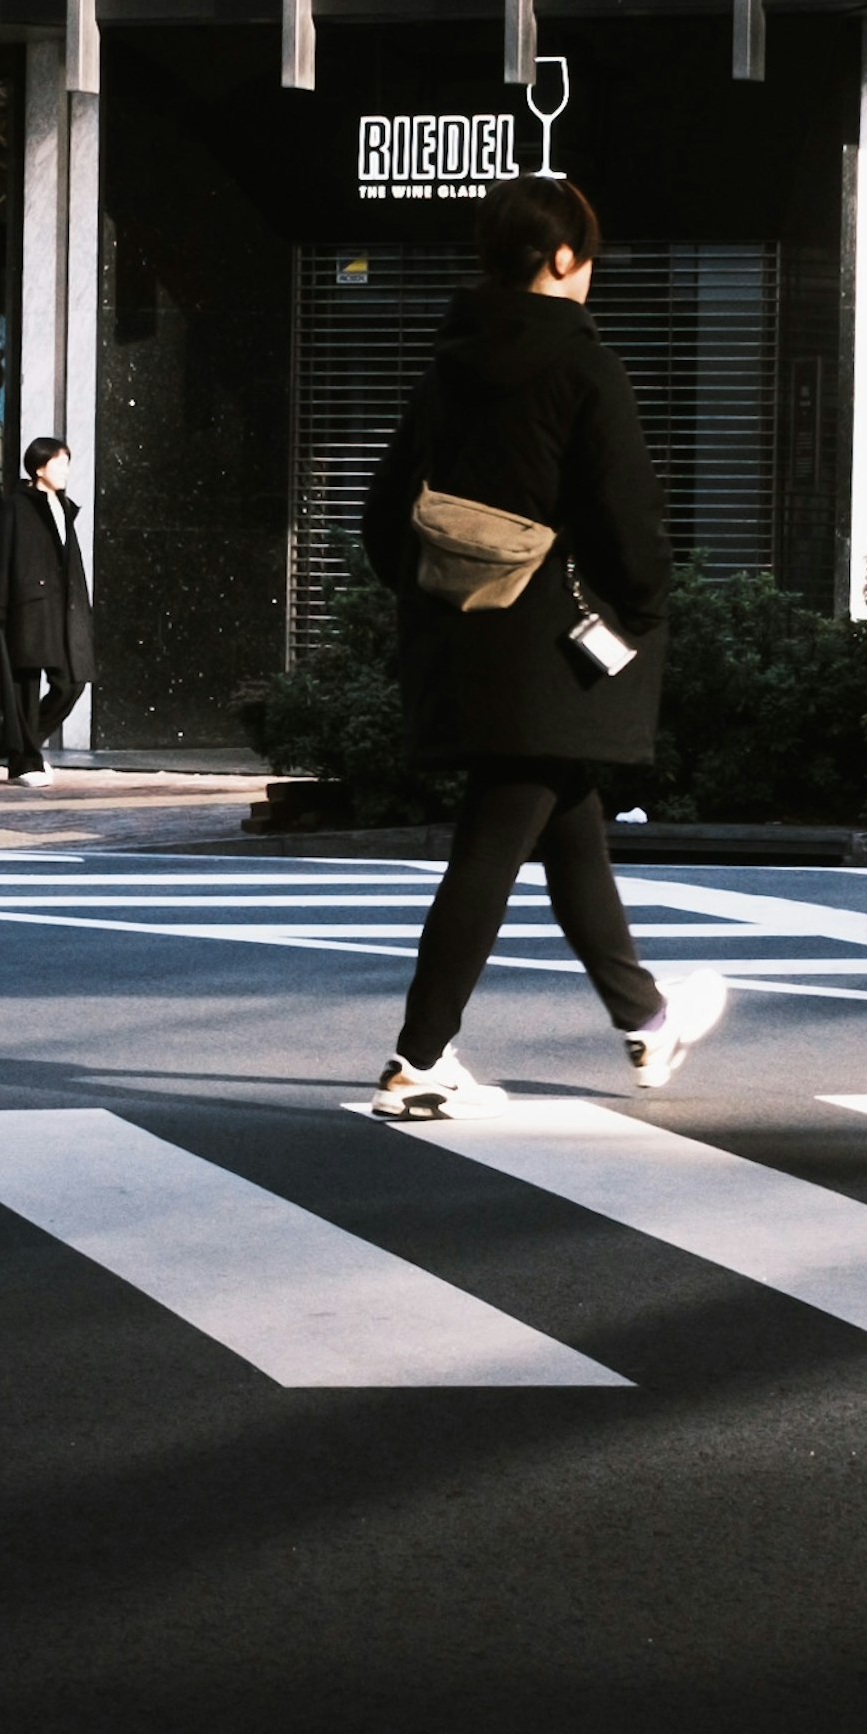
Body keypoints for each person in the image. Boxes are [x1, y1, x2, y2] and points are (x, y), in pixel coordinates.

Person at [358, 174, 729, 1118]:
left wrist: (445, 586)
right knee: (495, 840)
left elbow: (380, 516)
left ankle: (646, 1020)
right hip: (552, 646)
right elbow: (629, 517)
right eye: (588, 255)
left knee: (571, 825)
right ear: (564, 259)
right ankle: (417, 1059)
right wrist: (643, 607)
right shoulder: (582, 365)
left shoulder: (446, 365)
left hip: (466, 630)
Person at [0, 436, 92, 782]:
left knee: (72, 683)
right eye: (60, 463)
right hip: (27, 607)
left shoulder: (63, 506)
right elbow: (3, 558)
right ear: (40, 467)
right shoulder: (17, 505)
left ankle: (25, 747)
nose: (67, 471)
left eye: (68, 463)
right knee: (25, 686)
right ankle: (23, 761)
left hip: (64, 609)